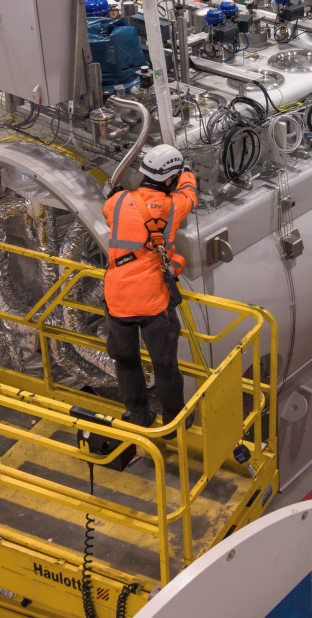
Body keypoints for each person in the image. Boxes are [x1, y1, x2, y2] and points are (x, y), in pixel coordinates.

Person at [102, 145, 198, 426]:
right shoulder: (173, 205)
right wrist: (188, 172)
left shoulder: (117, 201)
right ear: (170, 179)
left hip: (117, 297)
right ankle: (173, 421)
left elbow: (109, 208)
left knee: (126, 361)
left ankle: (138, 415)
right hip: (153, 301)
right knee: (165, 366)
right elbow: (189, 195)